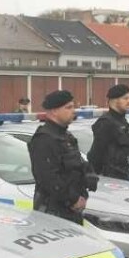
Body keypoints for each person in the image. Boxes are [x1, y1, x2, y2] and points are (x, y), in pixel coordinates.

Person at [28, 90, 97, 224]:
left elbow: (79, 166)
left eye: (73, 107)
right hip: (53, 212)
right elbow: (48, 178)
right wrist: (73, 199)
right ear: (54, 111)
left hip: (72, 210)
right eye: (68, 107)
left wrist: (88, 183)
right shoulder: (44, 139)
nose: (73, 111)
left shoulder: (66, 137)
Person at [87, 84, 129, 180]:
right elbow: (96, 154)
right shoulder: (105, 123)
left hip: (124, 176)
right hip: (110, 179)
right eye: (125, 98)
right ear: (114, 101)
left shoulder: (123, 122)